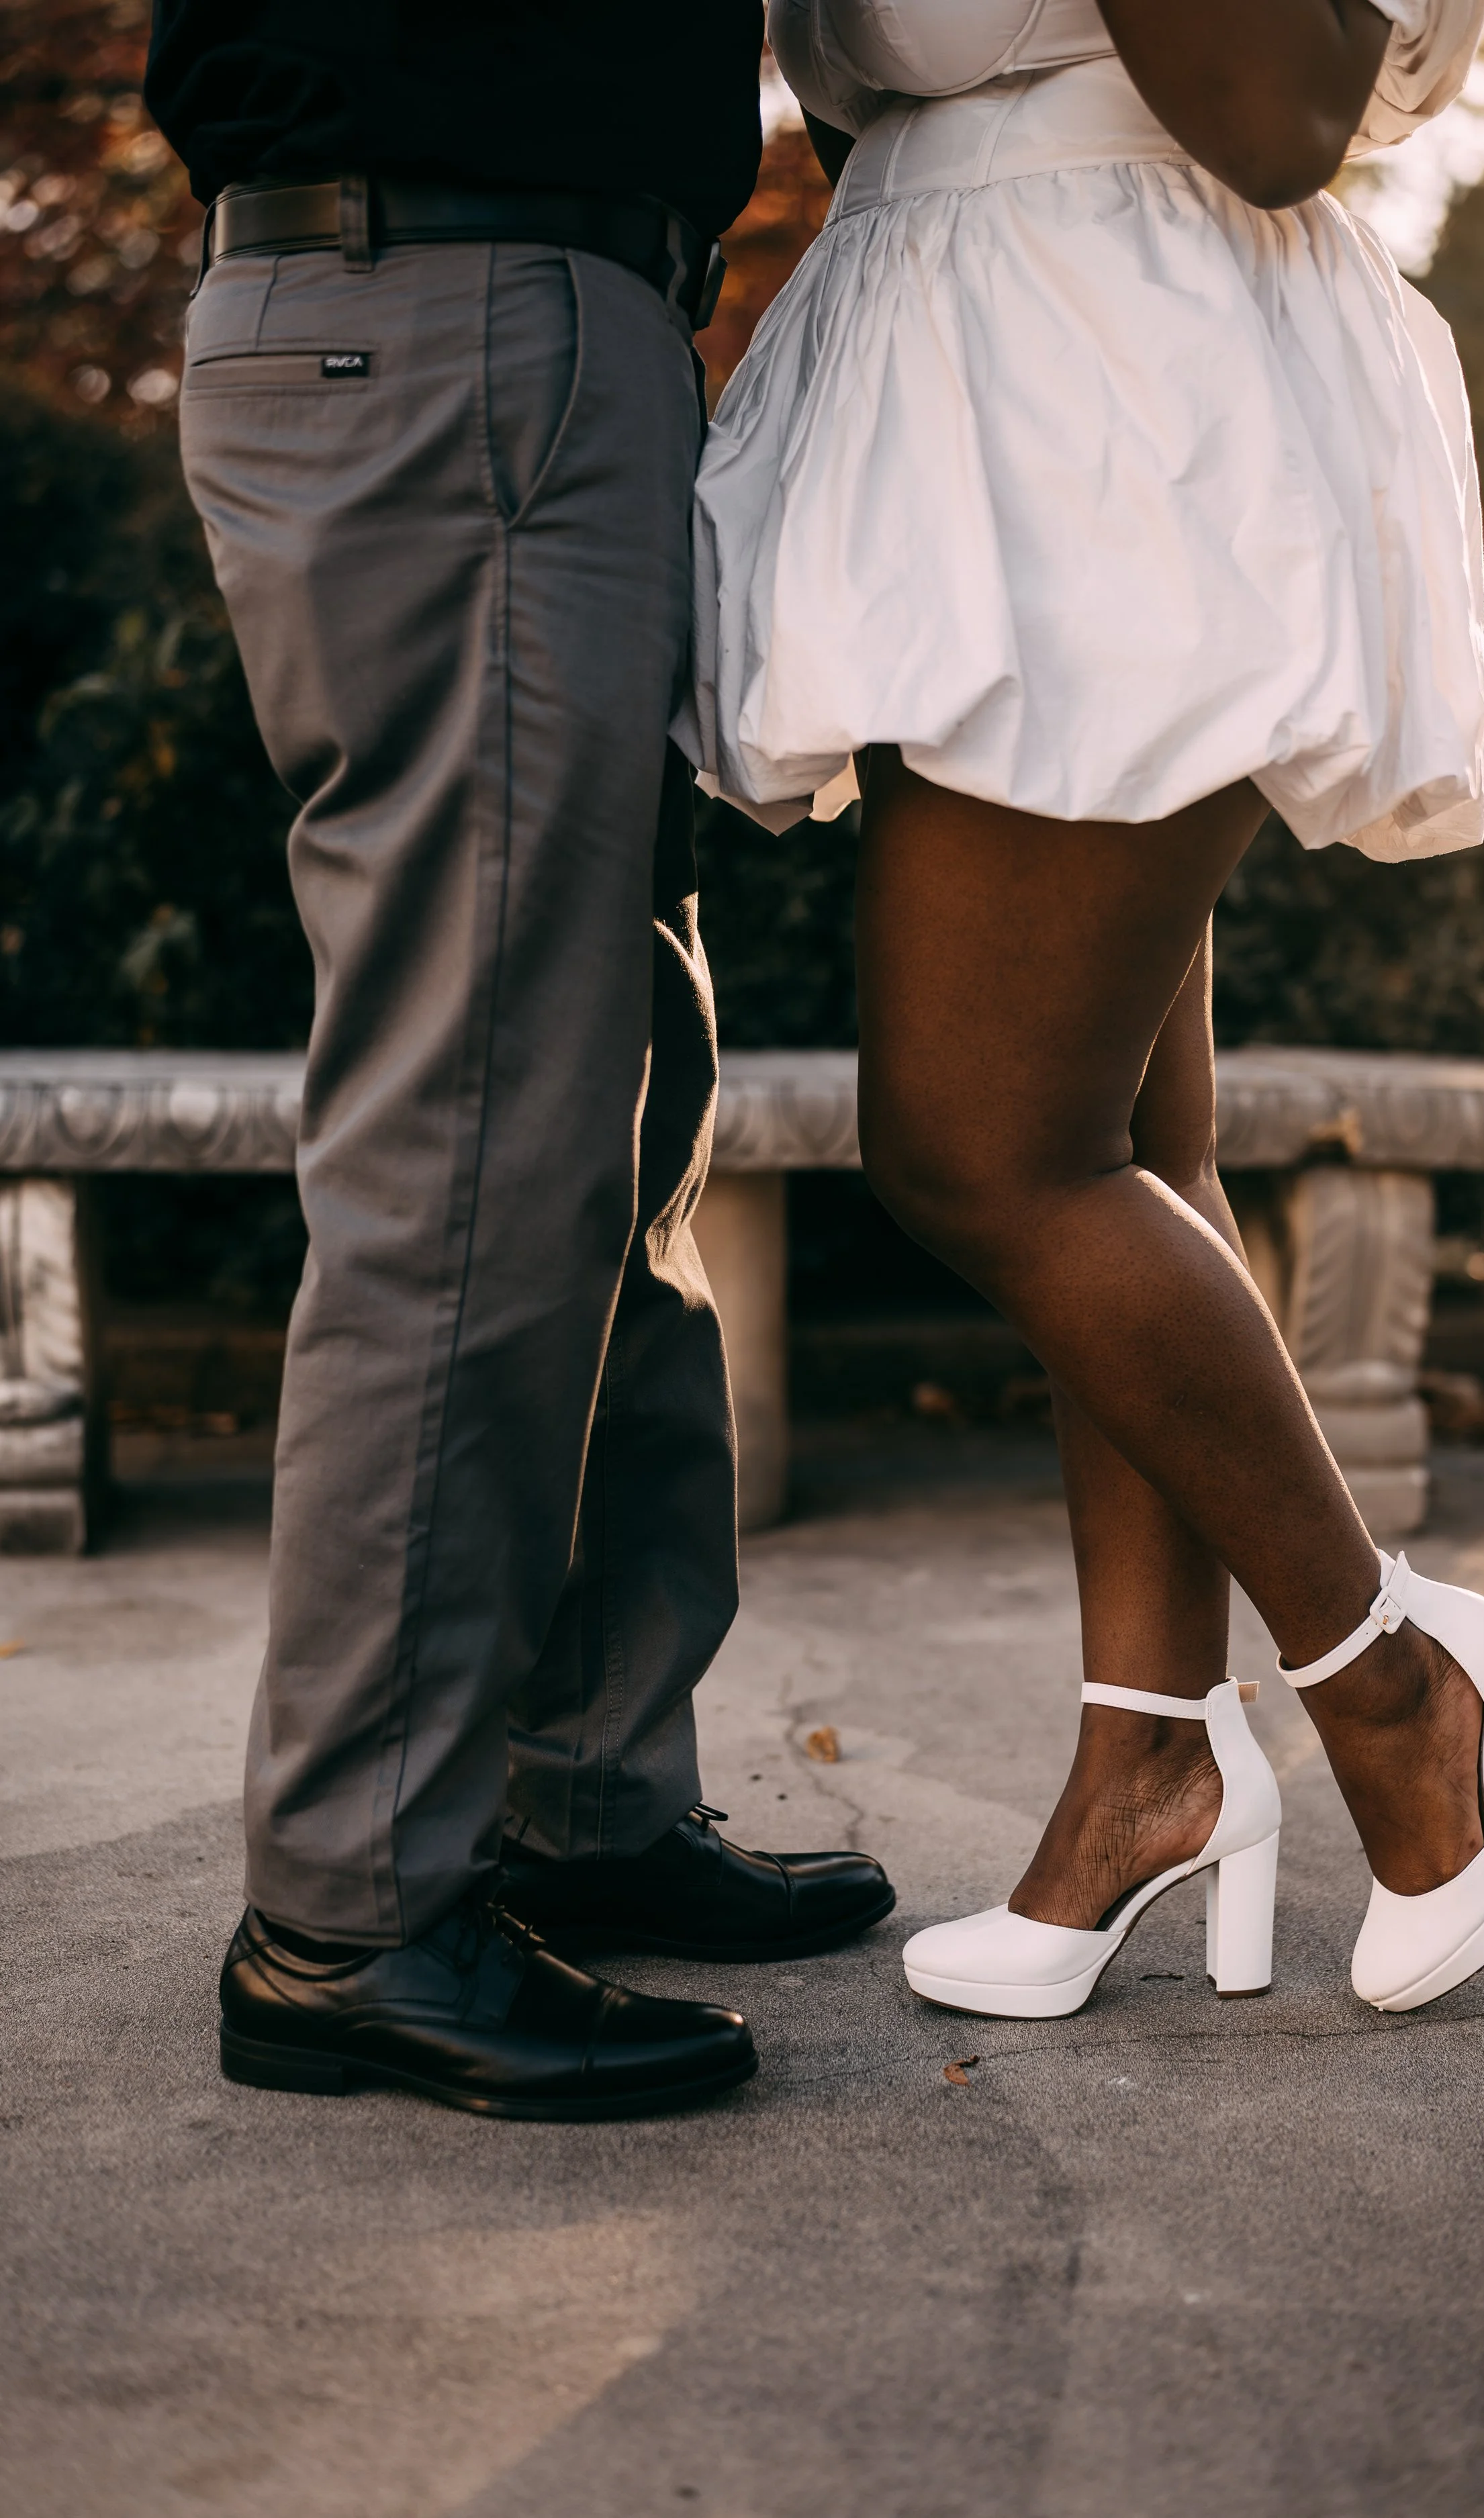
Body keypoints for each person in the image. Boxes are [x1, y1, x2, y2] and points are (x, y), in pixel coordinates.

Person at [686, 0, 1484, 2021]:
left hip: (1107, 379)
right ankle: (1143, 1770)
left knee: (977, 1143)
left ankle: (1386, 1674)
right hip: (976, 340)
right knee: (1129, 1146)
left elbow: (1274, 112)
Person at [144, 0, 894, 2120]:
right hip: (451, 307)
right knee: (475, 1120)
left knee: (610, 1087)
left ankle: (576, 1785)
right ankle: (353, 1910)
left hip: (524, 315)